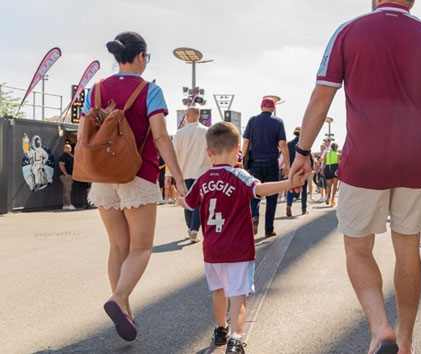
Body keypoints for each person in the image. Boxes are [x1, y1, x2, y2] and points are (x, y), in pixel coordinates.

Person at [289, 1, 421, 352]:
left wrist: (303, 153)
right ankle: (406, 341)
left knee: (357, 248)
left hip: (363, 161)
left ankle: (379, 328)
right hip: (416, 162)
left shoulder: (348, 32)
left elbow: (321, 96)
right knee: (408, 248)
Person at [82, 32, 186, 341]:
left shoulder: (96, 90)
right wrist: (178, 178)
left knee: (117, 246)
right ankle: (118, 299)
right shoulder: (150, 90)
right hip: (138, 174)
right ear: (140, 57)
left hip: (102, 177)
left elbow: (86, 132)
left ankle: (124, 309)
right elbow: (161, 137)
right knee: (141, 247)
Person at [179, 122, 302, 354]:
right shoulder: (240, 176)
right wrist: (288, 183)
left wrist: (178, 197)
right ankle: (236, 338)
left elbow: (188, 202)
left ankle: (220, 328)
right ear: (238, 149)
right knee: (238, 295)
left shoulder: (203, 179)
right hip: (238, 249)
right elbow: (261, 189)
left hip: (212, 249)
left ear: (208, 152)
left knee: (218, 291)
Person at [241, 98, 289, 237]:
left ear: (261, 106)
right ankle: (269, 229)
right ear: (273, 108)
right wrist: (287, 164)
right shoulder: (278, 122)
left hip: (255, 163)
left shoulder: (253, 120)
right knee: (272, 196)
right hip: (272, 163)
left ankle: (254, 216)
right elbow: (283, 144)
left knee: (255, 193)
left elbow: (245, 142)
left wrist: (241, 159)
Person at [173, 107, 213, 242]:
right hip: (202, 172)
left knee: (187, 201)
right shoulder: (207, 132)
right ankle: (194, 229)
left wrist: (169, 175)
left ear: (187, 115)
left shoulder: (179, 134)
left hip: (184, 172)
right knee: (199, 203)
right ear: (199, 116)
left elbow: (173, 155)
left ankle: (190, 227)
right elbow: (211, 152)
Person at [286, 127, 312, 216]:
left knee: (291, 187)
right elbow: (308, 156)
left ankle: (288, 204)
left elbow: (287, 157)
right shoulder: (303, 144)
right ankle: (304, 209)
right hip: (302, 168)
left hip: (292, 168)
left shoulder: (289, 144)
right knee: (304, 189)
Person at [58, 144, 76, 211]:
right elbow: (61, 165)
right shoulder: (63, 157)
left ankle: (65, 205)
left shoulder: (71, 156)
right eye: (67, 148)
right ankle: (69, 204)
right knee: (67, 191)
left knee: (66, 191)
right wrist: (66, 174)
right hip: (66, 176)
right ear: (64, 149)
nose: (69, 150)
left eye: (70, 148)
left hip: (70, 175)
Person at [324, 142, 341, 206]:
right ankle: (332, 199)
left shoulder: (327, 153)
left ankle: (327, 196)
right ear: (336, 148)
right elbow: (339, 163)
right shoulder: (337, 154)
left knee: (328, 185)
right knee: (335, 185)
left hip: (327, 167)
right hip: (335, 168)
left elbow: (325, 162)